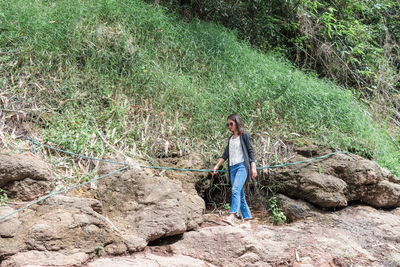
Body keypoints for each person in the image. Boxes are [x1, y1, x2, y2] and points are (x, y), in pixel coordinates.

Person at [212, 114, 257, 226]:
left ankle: (232, 215)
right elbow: (225, 154)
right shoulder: (230, 139)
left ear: (237, 123)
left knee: (235, 190)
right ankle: (247, 220)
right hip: (232, 168)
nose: (229, 126)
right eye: (227, 124)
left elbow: (251, 151)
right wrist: (217, 166)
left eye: (231, 124)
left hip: (242, 166)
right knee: (240, 194)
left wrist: (253, 167)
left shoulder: (244, 135)